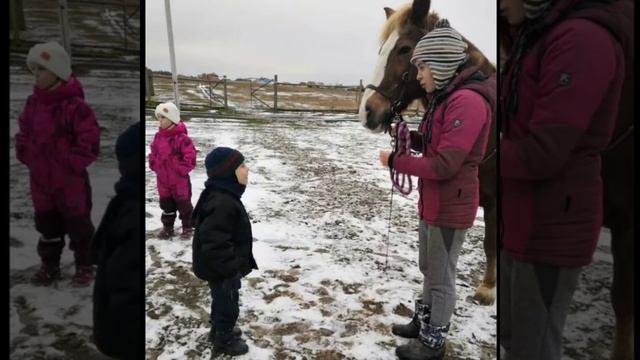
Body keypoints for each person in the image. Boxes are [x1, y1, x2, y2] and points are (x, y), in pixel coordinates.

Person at [499, 0, 631, 358]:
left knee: (534, 348)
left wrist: (483, 153)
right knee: (515, 343)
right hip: (522, 222)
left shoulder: (582, 39)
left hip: (549, 228)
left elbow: (545, 151)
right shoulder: (536, 37)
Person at [379, 19, 495, 360]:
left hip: (450, 205)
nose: (418, 76)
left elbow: (446, 163)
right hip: (434, 201)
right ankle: (424, 322)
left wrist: (395, 161)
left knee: (442, 276)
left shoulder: (468, 103)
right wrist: (409, 139)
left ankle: (434, 342)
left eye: (423, 67)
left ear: (442, 66)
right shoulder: (443, 100)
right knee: (429, 267)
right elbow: (434, 143)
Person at [15, 41, 100, 286]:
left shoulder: (75, 107)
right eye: (34, 70)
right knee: (47, 226)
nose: (36, 75)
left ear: (58, 72)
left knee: (79, 226)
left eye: (41, 69)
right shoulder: (33, 104)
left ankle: (85, 265)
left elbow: (89, 143)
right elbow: (23, 134)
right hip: (41, 181)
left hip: (70, 182)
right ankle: (49, 265)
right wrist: (27, 153)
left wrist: (70, 162)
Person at [191, 147, 258, 357]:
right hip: (222, 268)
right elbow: (214, 241)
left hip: (218, 267)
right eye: (242, 166)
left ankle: (217, 330)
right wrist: (230, 269)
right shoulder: (222, 202)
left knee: (220, 300)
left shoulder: (222, 195)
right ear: (228, 173)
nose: (247, 170)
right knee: (227, 304)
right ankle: (224, 340)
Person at [92, 122, 142, 359]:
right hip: (126, 337)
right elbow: (126, 288)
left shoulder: (126, 201)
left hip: (117, 329)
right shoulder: (131, 211)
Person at [148, 102, 196, 240]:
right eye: (159, 118)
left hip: (179, 180)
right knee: (166, 205)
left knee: (184, 205)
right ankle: (168, 227)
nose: (160, 121)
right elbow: (153, 153)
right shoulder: (158, 137)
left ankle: (187, 227)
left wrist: (179, 169)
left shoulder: (182, 139)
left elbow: (190, 158)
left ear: (172, 119)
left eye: (163, 117)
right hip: (163, 180)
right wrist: (154, 164)